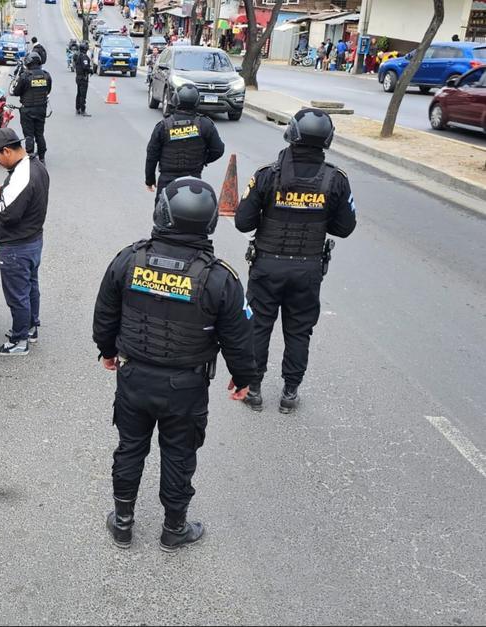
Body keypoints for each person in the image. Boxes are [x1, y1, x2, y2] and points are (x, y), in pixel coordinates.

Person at [92, 177, 256, 551]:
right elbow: (239, 335)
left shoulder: (128, 260)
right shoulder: (220, 278)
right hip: (186, 387)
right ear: (211, 221)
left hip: (134, 378)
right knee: (179, 454)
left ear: (161, 213)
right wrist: (244, 377)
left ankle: (122, 522)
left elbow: (105, 314)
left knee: (130, 447)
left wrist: (106, 351)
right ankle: (174, 529)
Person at [235, 108, 357, 413]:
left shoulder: (267, 175)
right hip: (307, 269)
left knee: (259, 326)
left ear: (291, 133)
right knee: (299, 330)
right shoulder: (335, 180)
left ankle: (255, 389)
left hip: (267, 267)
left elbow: (243, 222)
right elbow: (344, 228)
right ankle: (290, 391)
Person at [0, 128, 49, 356]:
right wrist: (4, 191)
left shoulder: (21, 175)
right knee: (30, 288)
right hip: (33, 240)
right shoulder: (35, 166)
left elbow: (7, 214)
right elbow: (22, 198)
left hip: (17, 246)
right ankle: (30, 329)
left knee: (17, 294)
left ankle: (19, 341)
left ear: (7, 150)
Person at [145, 84, 224, 202]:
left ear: (176, 100)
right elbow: (218, 150)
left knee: (162, 216)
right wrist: (203, 160)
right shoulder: (205, 125)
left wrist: (150, 180)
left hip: (167, 182)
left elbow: (152, 155)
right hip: (194, 182)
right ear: (197, 102)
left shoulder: (163, 126)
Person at [10, 51, 52, 163]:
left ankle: (30, 156)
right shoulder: (46, 75)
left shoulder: (25, 76)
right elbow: (48, 90)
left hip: (27, 110)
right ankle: (42, 158)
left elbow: (16, 91)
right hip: (41, 109)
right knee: (39, 133)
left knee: (29, 135)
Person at [74, 40, 94, 116]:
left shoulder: (78, 55)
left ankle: (77, 108)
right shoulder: (84, 57)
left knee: (79, 93)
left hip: (78, 77)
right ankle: (83, 110)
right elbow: (85, 67)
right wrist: (91, 71)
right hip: (83, 78)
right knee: (83, 95)